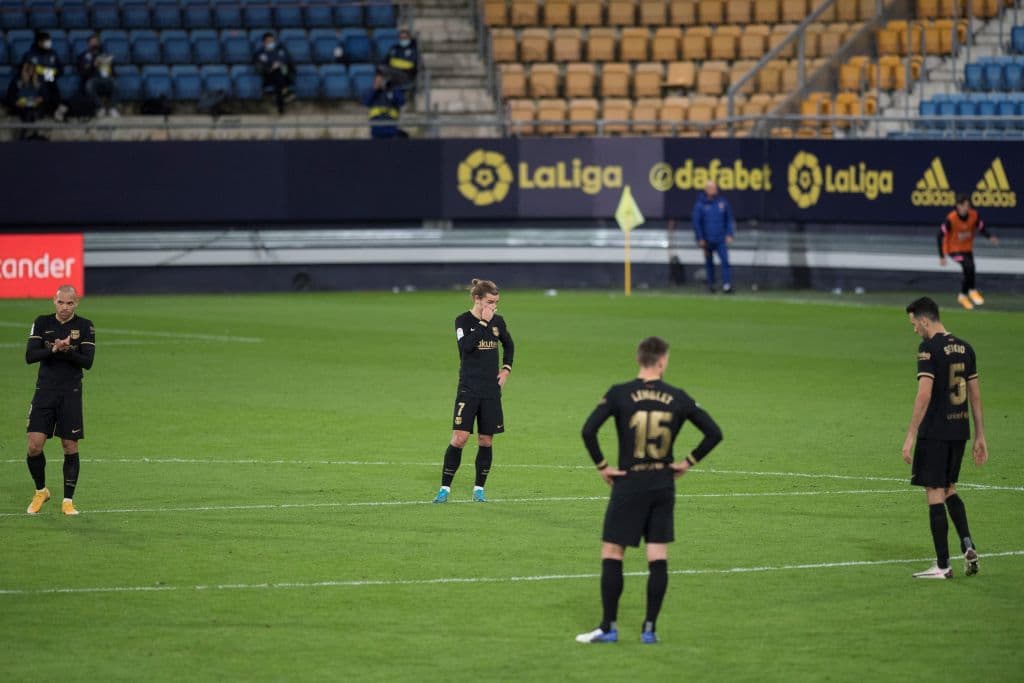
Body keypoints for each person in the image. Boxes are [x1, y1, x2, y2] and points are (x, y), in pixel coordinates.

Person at [576, 336, 722, 644]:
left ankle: (608, 627)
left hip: (629, 482)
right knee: (657, 556)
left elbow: (588, 430)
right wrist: (686, 463)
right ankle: (649, 629)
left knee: (613, 552)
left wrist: (603, 466)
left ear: (639, 358)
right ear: (662, 360)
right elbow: (714, 433)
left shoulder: (620, 393)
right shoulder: (678, 396)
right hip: (662, 483)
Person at [902, 297, 987, 579]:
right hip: (959, 431)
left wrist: (911, 435)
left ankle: (942, 565)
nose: (915, 330)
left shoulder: (928, 349)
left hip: (936, 431)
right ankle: (968, 545)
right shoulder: (966, 348)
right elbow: (975, 395)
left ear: (924, 321)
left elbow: (924, 394)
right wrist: (980, 435)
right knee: (949, 487)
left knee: (935, 492)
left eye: (914, 325)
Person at [432, 279, 514, 504]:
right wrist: (483, 324)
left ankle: (479, 489)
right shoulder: (463, 321)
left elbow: (509, 344)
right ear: (477, 299)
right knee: (459, 438)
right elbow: (465, 348)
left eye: (496, 302)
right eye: (490, 302)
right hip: (468, 389)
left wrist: (506, 369)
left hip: (490, 391)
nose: (494, 307)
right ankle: (444, 489)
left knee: (486, 440)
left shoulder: (499, 322)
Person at [24, 285, 96, 516]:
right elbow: (30, 355)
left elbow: (87, 362)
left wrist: (67, 350)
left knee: (69, 445)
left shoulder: (85, 326)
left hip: (70, 393)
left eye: (70, 303)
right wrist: (54, 349)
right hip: (44, 390)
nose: (65, 308)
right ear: (53, 301)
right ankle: (41, 491)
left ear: (77, 303)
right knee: (34, 446)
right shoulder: (42, 322)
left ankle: (67, 501)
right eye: (61, 302)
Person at [938, 194, 999, 310]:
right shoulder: (951, 219)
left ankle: (965, 294)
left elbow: (981, 227)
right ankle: (969, 291)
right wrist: (941, 256)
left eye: (968, 205)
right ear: (958, 206)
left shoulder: (973, 215)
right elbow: (939, 235)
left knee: (971, 268)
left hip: (966, 248)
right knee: (968, 266)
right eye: (964, 205)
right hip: (953, 250)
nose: (966, 208)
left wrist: (990, 237)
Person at [689, 180, 735, 293]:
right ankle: (711, 285)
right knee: (709, 264)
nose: (715, 190)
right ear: (706, 189)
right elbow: (696, 223)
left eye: (715, 187)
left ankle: (726, 285)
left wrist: (729, 234)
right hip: (707, 240)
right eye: (712, 188)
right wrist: (700, 238)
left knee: (725, 261)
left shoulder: (722, 202)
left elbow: (729, 219)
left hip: (720, 239)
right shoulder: (700, 204)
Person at [20, 30, 64, 120]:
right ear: (39, 42)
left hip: (49, 78)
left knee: (52, 86)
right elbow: (24, 71)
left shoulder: (53, 53)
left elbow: (60, 70)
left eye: (49, 40)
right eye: (46, 41)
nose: (48, 43)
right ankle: (35, 112)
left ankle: (54, 111)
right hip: (33, 81)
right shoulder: (30, 55)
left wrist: (45, 72)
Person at [76, 32, 118, 117]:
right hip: (92, 79)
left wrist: (109, 65)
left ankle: (112, 108)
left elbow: (113, 72)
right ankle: (100, 108)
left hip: (105, 79)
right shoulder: (83, 56)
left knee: (115, 83)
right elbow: (82, 73)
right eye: (93, 41)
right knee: (89, 85)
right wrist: (93, 65)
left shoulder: (105, 55)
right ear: (88, 43)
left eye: (96, 41)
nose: (95, 43)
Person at [253, 32, 295, 114]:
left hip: (282, 74)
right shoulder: (260, 53)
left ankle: (281, 108)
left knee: (280, 73)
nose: (271, 43)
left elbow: (287, 58)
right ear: (264, 42)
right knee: (278, 77)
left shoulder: (280, 49)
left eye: (272, 41)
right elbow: (258, 65)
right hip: (268, 76)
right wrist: (270, 68)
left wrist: (278, 63)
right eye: (268, 41)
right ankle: (286, 92)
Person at [5, 62, 47, 140]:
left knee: (32, 113)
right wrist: (16, 102)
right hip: (21, 108)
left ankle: (24, 136)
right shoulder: (16, 82)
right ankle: (31, 136)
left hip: (36, 107)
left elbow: (45, 97)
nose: (30, 72)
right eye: (28, 70)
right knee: (28, 114)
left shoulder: (39, 82)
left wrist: (40, 99)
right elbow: (10, 98)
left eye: (32, 70)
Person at [363, 69, 407, 139]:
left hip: (391, 126)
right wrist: (375, 89)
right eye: (378, 79)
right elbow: (366, 102)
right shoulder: (371, 91)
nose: (381, 81)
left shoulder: (394, 89)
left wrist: (391, 89)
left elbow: (401, 102)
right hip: (376, 127)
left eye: (382, 78)